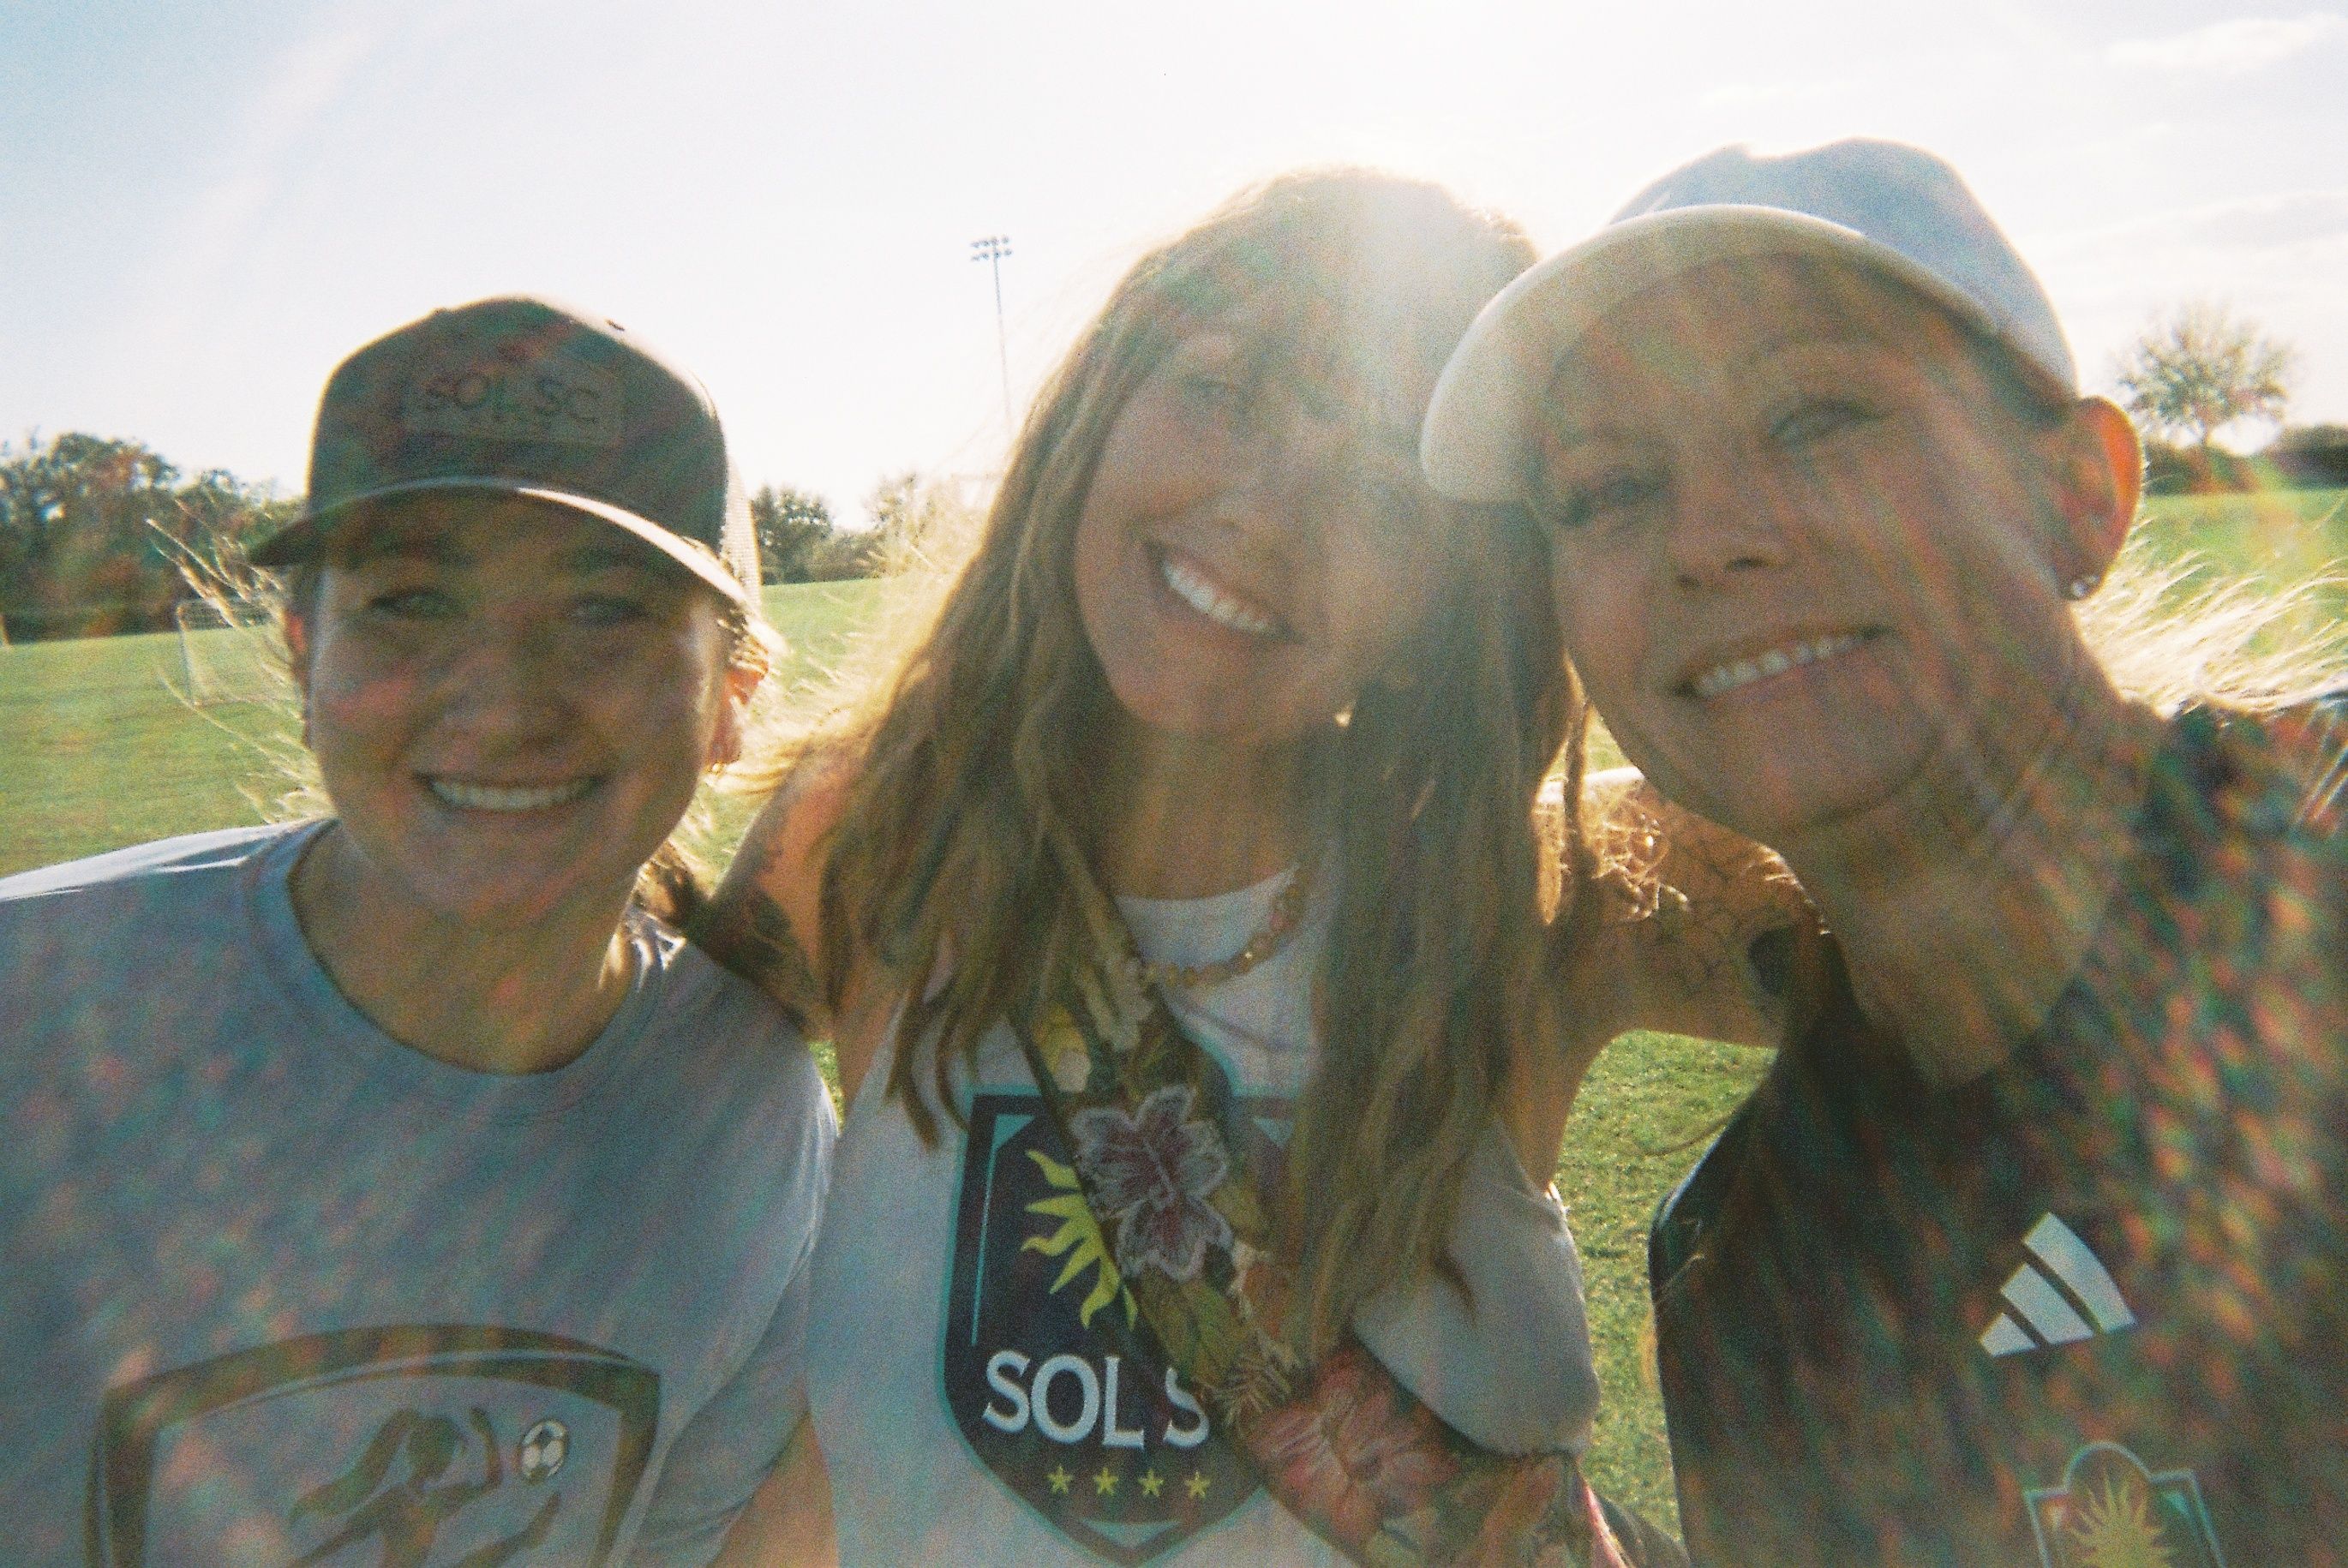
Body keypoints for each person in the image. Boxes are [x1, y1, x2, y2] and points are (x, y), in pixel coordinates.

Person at [701, 171, 1704, 1566]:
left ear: (1445, 602)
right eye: (1223, 393)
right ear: (1092, 419)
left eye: (1377, 489)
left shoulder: (1524, 901)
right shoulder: (867, 843)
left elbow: (2007, 887)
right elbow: (586, 1119)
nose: (1262, 511)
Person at [1422, 138, 2348, 1565]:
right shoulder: (1752, 1273)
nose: (1710, 539)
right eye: (1608, 490)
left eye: (1813, 419)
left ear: (2083, 494)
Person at [0, 296, 836, 1566]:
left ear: (733, 697)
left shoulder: (751, 1111)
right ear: (301, 655)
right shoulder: (32, 1010)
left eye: (604, 609)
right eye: (412, 601)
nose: (502, 704)